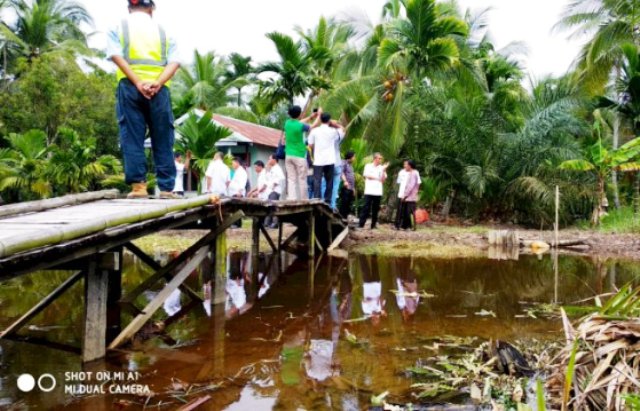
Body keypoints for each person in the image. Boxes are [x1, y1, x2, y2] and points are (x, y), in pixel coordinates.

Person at [108, 0, 180, 199]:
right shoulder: (163, 30)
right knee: (163, 137)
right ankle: (166, 188)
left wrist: (138, 82)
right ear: (152, 8)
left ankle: (139, 187)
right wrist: (157, 82)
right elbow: (175, 62)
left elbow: (115, 56)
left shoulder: (119, 26)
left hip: (130, 87)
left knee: (132, 136)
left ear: (130, 8)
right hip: (159, 89)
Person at [283, 106, 320, 200]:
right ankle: (304, 199)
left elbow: (300, 122)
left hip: (288, 155)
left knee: (291, 179)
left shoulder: (287, 123)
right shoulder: (300, 126)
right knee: (302, 179)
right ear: (299, 114)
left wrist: (311, 117)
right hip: (299, 155)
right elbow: (313, 125)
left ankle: (292, 199)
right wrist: (319, 115)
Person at [308, 113, 345, 205]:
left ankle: (317, 198)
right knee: (329, 181)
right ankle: (327, 200)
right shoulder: (333, 131)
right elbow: (343, 129)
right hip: (330, 160)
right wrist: (334, 124)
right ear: (329, 120)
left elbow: (310, 145)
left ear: (320, 120)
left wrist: (316, 149)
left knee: (317, 180)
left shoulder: (314, 131)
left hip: (318, 160)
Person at [358, 153, 388, 229]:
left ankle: (373, 225)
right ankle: (361, 224)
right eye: (379, 158)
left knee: (375, 209)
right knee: (366, 208)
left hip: (378, 191)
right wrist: (377, 178)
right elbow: (367, 175)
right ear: (375, 159)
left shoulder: (382, 168)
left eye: (381, 158)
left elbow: (383, 180)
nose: (380, 160)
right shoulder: (368, 166)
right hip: (369, 191)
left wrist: (384, 171)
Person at [399, 160, 421, 231]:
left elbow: (410, 186)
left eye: (406, 165)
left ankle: (409, 227)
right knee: (409, 212)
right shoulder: (415, 172)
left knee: (408, 212)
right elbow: (418, 184)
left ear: (410, 166)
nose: (405, 166)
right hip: (412, 196)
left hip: (410, 197)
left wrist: (404, 195)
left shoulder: (413, 173)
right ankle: (406, 226)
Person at [265, 154, 285, 228]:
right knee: (270, 207)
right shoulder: (272, 168)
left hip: (275, 191)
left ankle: (275, 223)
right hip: (270, 191)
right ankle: (268, 223)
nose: (268, 160)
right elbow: (267, 179)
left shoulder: (278, 168)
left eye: (270, 159)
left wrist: (274, 184)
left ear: (274, 160)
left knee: (273, 206)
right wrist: (267, 170)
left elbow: (281, 178)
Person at [339, 151, 356, 219]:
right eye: (354, 156)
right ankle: (341, 217)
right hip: (346, 187)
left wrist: (353, 188)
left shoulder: (351, 165)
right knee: (344, 204)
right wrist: (345, 181)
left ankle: (345, 218)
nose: (354, 158)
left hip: (351, 188)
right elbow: (341, 172)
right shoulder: (344, 163)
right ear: (350, 157)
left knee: (348, 204)